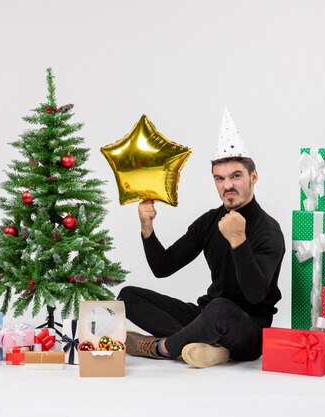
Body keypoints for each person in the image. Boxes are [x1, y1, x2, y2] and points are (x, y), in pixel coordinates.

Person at [117, 108, 285, 368]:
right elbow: (163, 267)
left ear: (254, 177)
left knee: (220, 308)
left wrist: (239, 241)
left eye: (235, 176)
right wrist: (147, 228)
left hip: (249, 330)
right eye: (220, 178)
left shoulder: (269, 230)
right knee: (128, 295)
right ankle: (210, 347)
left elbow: (255, 296)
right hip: (207, 315)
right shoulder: (209, 221)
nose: (227, 185)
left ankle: (163, 347)